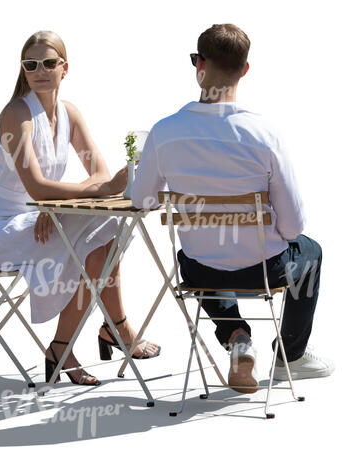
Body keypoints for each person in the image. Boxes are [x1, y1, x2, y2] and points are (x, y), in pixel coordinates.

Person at [131, 23, 334, 393]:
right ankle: (292, 355)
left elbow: (141, 201)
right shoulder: (265, 134)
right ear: (245, 69)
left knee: (202, 259)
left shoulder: (164, 131)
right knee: (311, 250)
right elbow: (292, 225)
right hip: (265, 271)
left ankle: (236, 337)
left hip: (201, 271)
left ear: (198, 65)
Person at [0, 30, 160, 386]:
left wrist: (55, 203)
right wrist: (71, 196)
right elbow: (37, 186)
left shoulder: (69, 113)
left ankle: (72, 343)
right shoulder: (16, 115)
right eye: (31, 64)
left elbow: (97, 171)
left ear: (64, 68)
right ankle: (113, 332)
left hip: (37, 218)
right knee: (96, 233)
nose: (40, 70)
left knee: (105, 231)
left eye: (49, 63)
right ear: (23, 70)